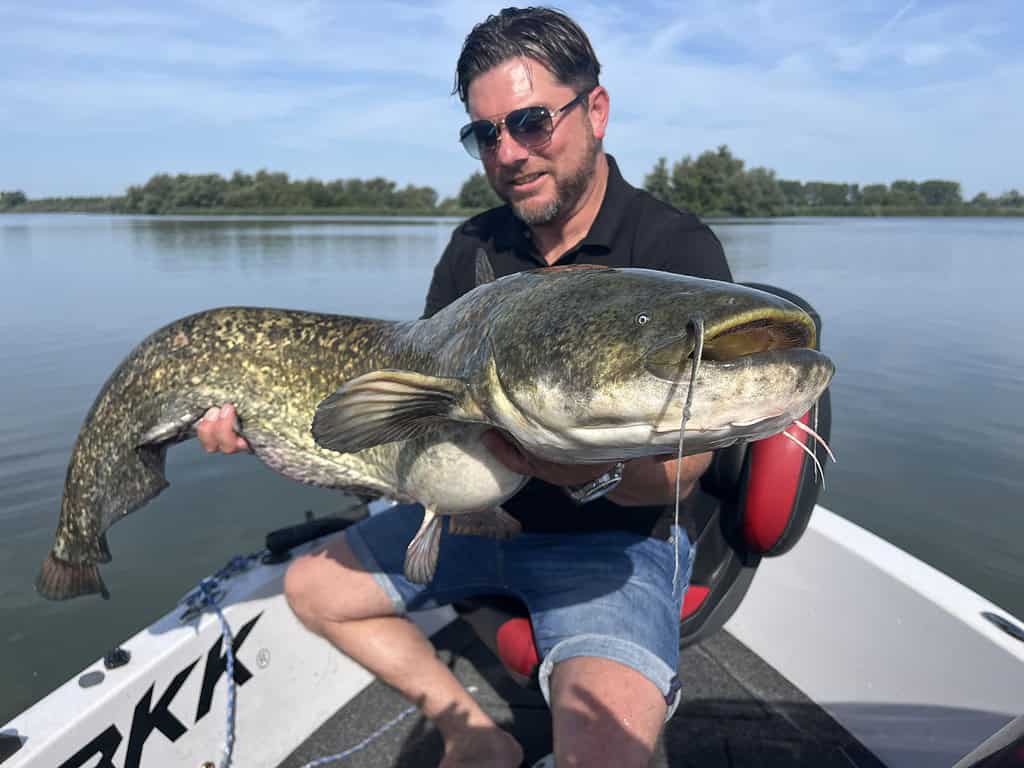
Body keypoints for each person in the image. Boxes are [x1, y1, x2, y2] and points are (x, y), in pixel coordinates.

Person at [199, 7, 732, 767]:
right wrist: (267, 427)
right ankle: (471, 732)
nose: (509, 152)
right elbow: (408, 405)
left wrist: (579, 470)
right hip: (467, 522)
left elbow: (681, 474)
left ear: (597, 110)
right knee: (313, 591)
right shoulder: (473, 247)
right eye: (486, 134)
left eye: (532, 122)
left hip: (614, 547)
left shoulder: (675, 249)